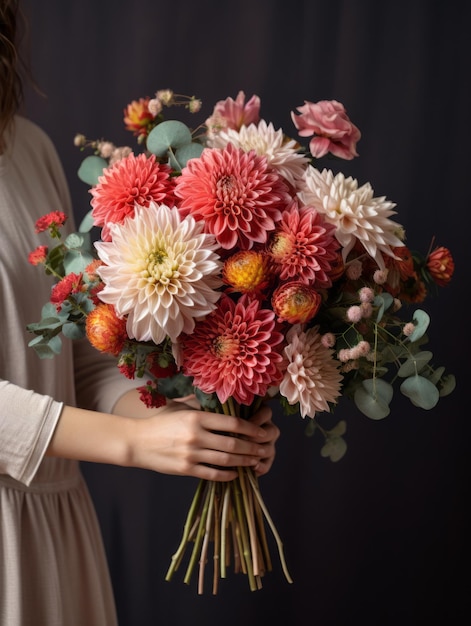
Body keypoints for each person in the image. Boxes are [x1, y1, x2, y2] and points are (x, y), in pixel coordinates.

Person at [0, 1, 280, 624]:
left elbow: (71, 355)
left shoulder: (27, 149)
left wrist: (189, 431)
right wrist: (132, 443)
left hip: (54, 523)